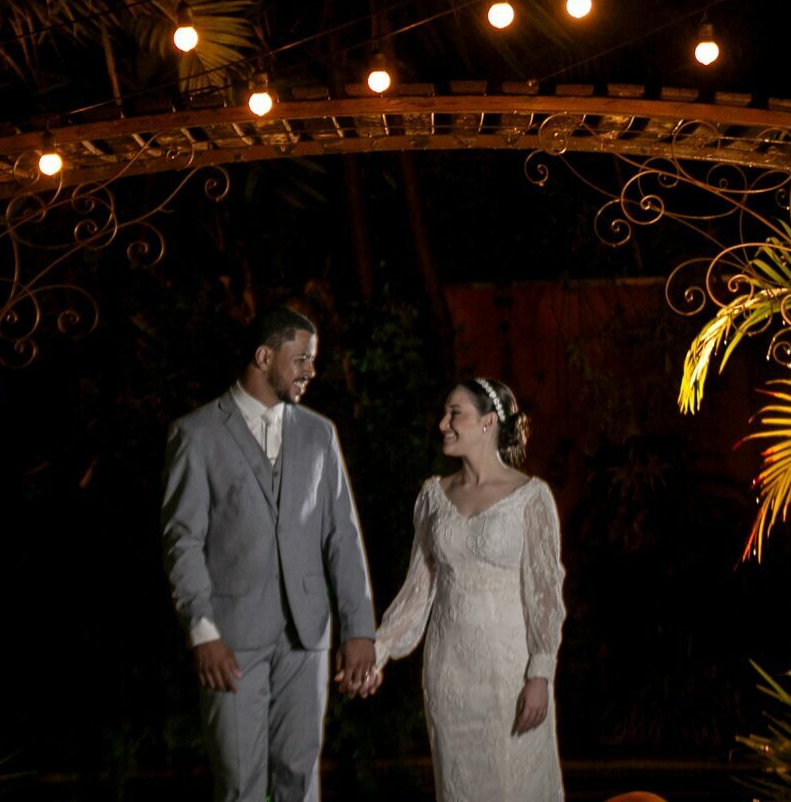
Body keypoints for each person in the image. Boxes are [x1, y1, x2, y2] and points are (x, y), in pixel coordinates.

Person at [161, 306, 379, 802]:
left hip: (308, 638)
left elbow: (342, 536)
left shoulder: (320, 434)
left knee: (300, 781)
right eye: (301, 358)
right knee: (239, 784)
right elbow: (182, 541)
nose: (311, 370)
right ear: (263, 356)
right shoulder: (196, 434)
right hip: (231, 641)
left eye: (312, 360)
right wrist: (202, 632)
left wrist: (359, 629)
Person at [366, 377, 566, 801]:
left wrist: (540, 673)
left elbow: (545, 594)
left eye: (455, 413)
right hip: (450, 673)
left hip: (511, 674)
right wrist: (378, 651)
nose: (443, 424)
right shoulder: (433, 496)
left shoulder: (530, 497)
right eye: (444, 414)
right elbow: (417, 590)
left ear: (487, 422)